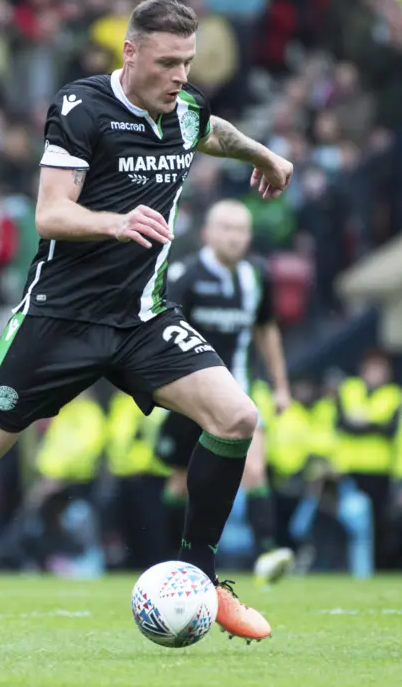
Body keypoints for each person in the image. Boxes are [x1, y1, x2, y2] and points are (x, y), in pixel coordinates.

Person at [0, 0, 293, 645]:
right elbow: (49, 212)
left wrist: (263, 156)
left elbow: (211, 130)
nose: (180, 76)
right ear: (130, 53)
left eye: (187, 62)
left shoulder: (184, 109)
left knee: (238, 417)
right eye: (166, 63)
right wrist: (114, 221)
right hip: (59, 318)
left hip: (140, 319)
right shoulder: (82, 107)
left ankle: (200, 574)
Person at [156, 199, 294, 585]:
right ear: (208, 233)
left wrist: (281, 387)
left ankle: (268, 552)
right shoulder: (185, 275)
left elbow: (267, 331)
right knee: (180, 480)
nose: (235, 237)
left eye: (242, 229)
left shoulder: (256, 277)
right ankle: (170, 563)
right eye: (227, 228)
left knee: (254, 467)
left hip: (240, 393)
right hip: (189, 396)